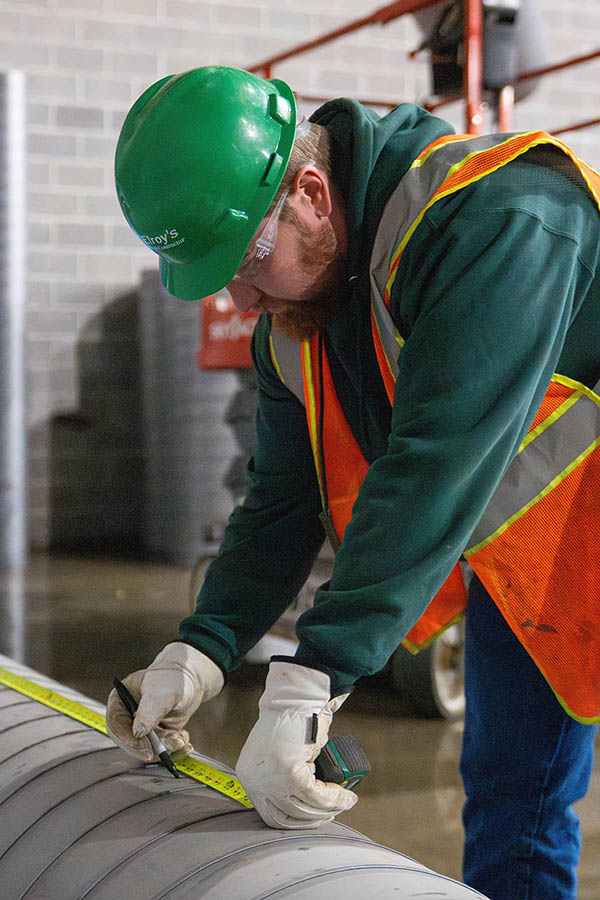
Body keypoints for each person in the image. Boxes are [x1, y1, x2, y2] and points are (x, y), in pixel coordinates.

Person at [106, 65, 600, 900]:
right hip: (549, 541)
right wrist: (205, 645)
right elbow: (282, 497)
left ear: (311, 192)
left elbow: (435, 460)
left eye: (248, 259)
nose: (241, 297)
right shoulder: (298, 317)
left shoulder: (502, 217)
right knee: (514, 799)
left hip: (560, 523)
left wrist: (316, 675)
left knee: (522, 799)